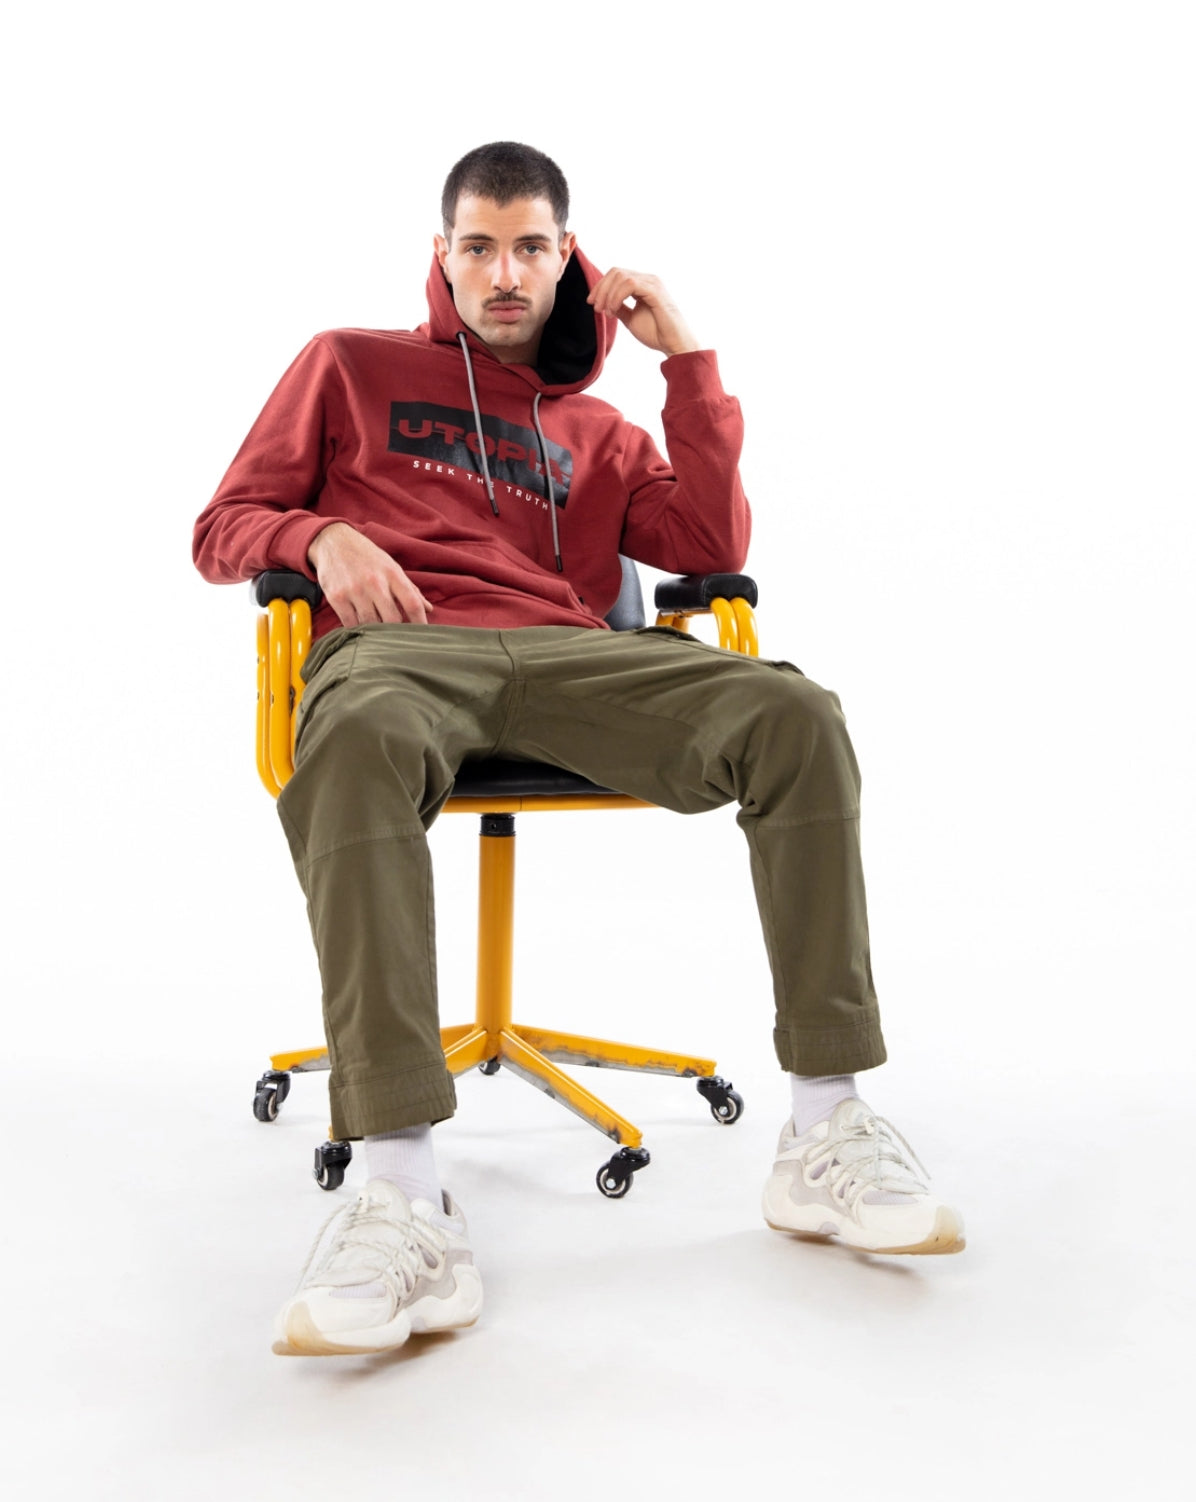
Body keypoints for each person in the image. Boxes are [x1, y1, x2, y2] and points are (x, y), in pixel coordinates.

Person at [194, 142, 964, 1358]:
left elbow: (705, 535)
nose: (504, 272)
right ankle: (398, 1185)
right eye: (477, 246)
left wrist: (689, 364)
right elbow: (223, 525)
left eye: (531, 246)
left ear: (570, 259)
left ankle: (825, 1122)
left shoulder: (597, 429)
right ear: (439, 258)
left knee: (794, 714)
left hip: (573, 661)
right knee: (346, 744)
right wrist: (321, 532)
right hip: (402, 655)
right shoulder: (347, 366)